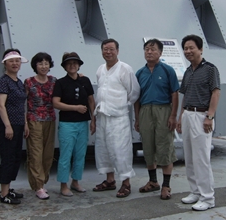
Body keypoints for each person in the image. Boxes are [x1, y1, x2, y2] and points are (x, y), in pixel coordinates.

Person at [177, 34, 221, 211]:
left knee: (201, 159)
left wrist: (210, 116)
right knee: (189, 157)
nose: (188, 51)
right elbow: (185, 96)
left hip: (202, 116)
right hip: (188, 114)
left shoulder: (210, 69)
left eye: (191, 48)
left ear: (200, 49)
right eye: (185, 48)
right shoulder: (188, 71)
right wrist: (181, 116)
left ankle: (208, 198)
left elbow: (216, 93)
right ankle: (195, 192)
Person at [93, 39, 140, 198]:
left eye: (111, 49)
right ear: (101, 51)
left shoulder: (125, 69)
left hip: (118, 117)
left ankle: (126, 183)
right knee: (104, 149)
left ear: (117, 51)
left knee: (120, 149)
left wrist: (121, 105)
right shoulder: (100, 69)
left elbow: (134, 92)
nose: (108, 52)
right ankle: (110, 180)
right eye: (105, 49)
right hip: (102, 115)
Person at [134, 39, 179, 201]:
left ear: (160, 52)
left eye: (153, 49)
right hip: (145, 111)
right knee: (148, 147)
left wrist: (173, 116)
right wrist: (137, 118)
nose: (149, 52)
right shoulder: (140, 73)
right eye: (147, 49)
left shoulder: (168, 71)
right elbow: (136, 98)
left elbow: (175, 94)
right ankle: (153, 181)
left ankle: (166, 185)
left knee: (165, 146)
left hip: (163, 110)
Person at [52, 52, 96, 197]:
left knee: (80, 154)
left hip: (82, 123)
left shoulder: (85, 80)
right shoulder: (60, 83)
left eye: (75, 63)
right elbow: (56, 103)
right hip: (67, 124)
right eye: (69, 63)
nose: (72, 66)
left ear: (79, 65)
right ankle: (63, 184)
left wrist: (93, 119)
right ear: (65, 66)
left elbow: (90, 100)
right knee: (66, 154)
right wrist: (75, 108)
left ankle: (75, 181)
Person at [0, 49, 29, 205]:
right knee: (8, 157)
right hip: (8, 126)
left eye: (17, 61)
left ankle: (9, 188)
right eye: (11, 61)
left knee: (16, 157)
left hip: (19, 124)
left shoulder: (18, 81)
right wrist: (7, 126)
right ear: (5, 63)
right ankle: (4, 193)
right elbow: (1, 105)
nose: (15, 63)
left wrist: (25, 124)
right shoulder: (4, 81)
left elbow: (21, 105)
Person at [24, 52, 57, 200]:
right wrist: (25, 122)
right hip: (33, 120)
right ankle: (38, 186)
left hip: (50, 120)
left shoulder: (54, 81)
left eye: (46, 63)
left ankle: (43, 182)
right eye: (40, 63)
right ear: (35, 66)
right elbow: (22, 103)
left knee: (48, 154)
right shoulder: (29, 82)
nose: (44, 66)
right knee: (36, 154)